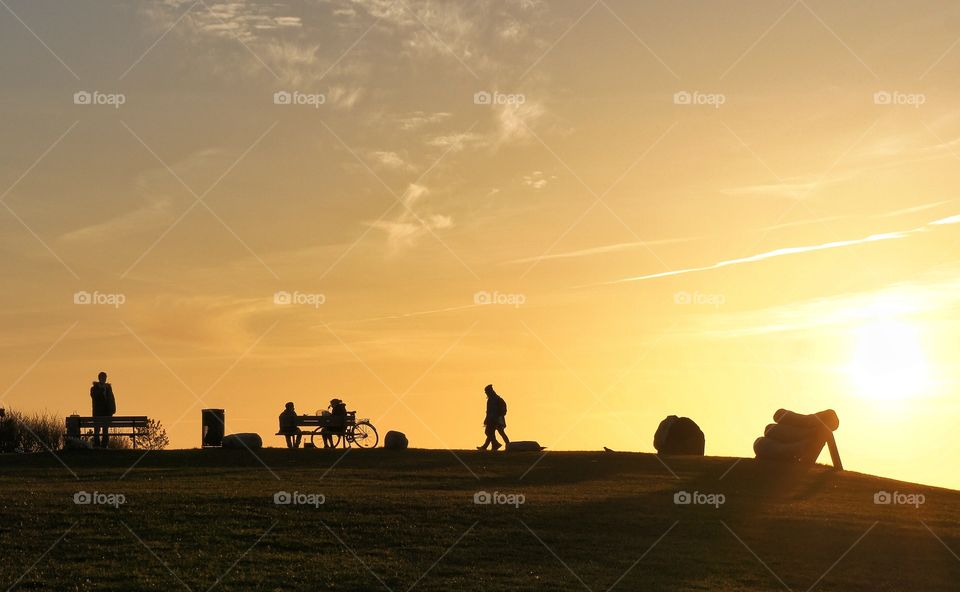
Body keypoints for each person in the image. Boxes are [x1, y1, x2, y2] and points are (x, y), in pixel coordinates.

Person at [477, 384, 509, 451]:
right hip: (496, 419)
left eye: (486, 392)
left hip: (494, 420)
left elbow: (491, 411)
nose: (486, 393)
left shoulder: (493, 399)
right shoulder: (494, 399)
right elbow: (489, 411)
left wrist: (488, 419)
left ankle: (496, 445)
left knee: (489, 432)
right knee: (494, 433)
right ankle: (495, 445)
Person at [90, 372, 116, 448]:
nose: (103, 379)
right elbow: (94, 397)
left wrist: (112, 410)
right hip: (97, 413)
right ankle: (97, 445)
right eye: (102, 378)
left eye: (104, 378)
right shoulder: (94, 388)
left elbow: (112, 400)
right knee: (97, 430)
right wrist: (101, 390)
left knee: (105, 430)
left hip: (106, 413)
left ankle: (104, 445)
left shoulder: (108, 388)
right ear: (99, 378)